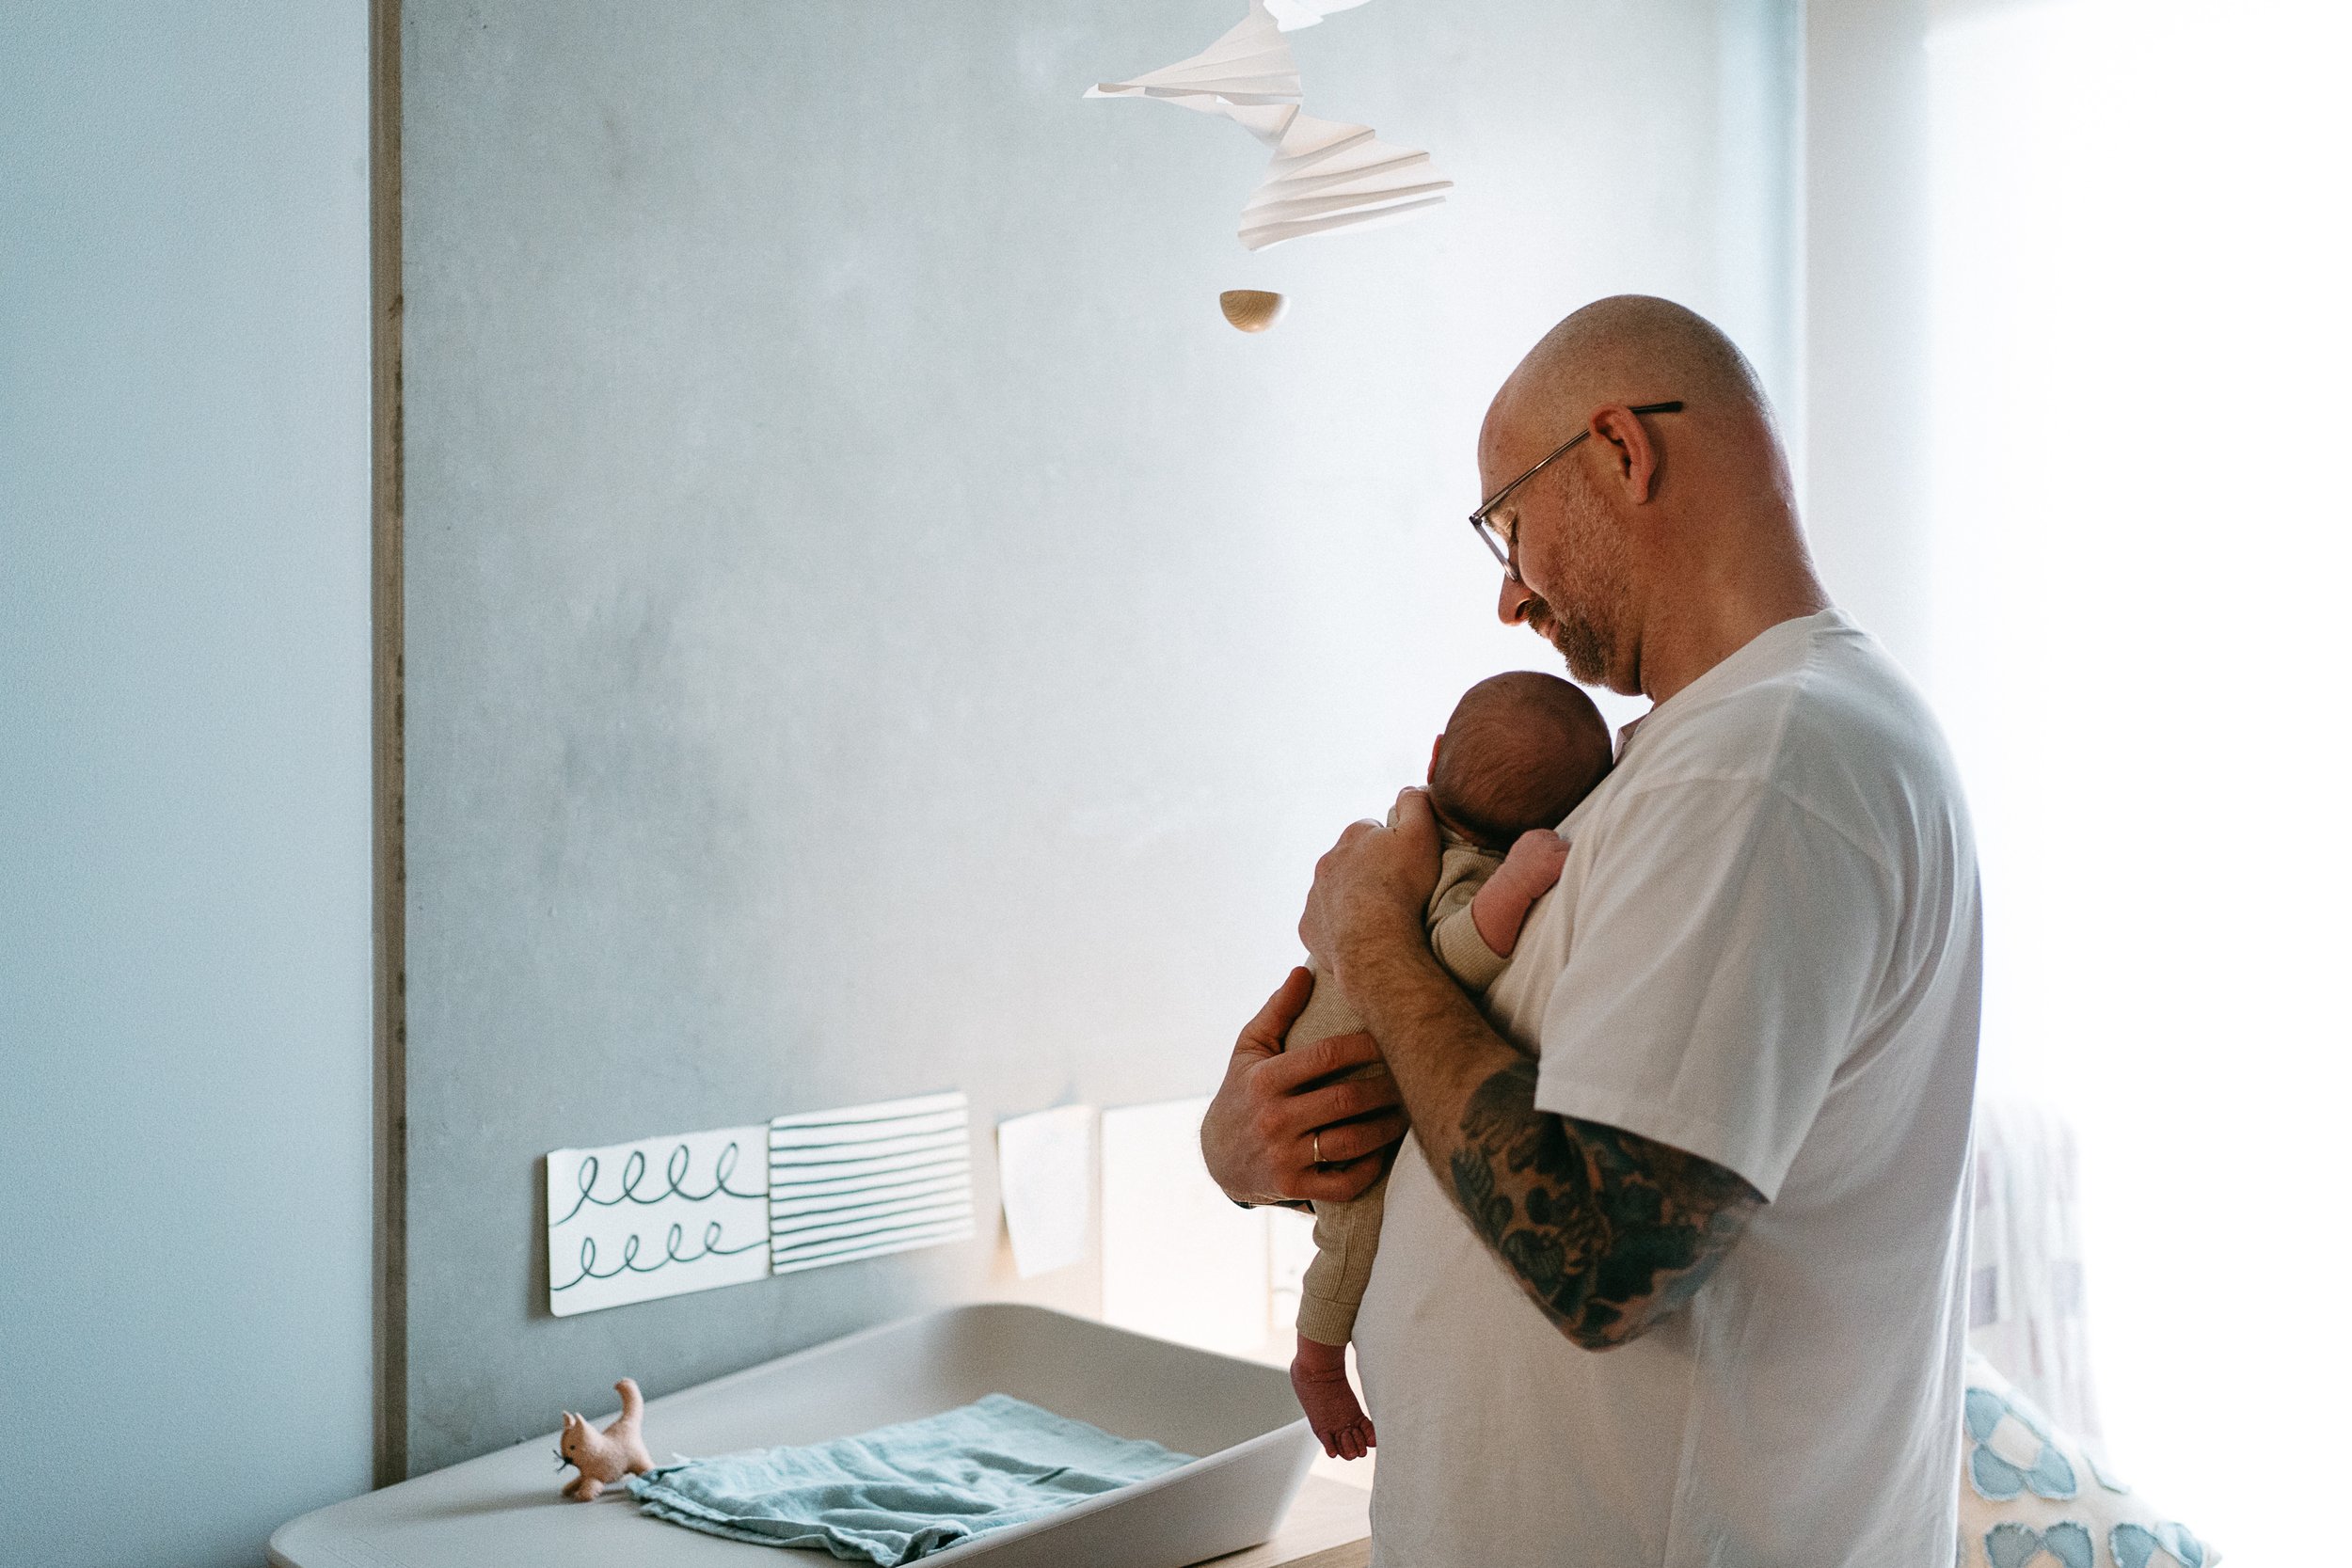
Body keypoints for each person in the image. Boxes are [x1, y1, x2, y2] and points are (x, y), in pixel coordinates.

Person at [1200, 295, 1980, 1565]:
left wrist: (1372, 941)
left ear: (1623, 450)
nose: (1511, 596)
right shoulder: (1664, 768)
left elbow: (1599, 1252)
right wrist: (1258, 1144)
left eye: (1508, 525)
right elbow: (1490, 1092)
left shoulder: (1768, 761)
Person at [1283, 671, 1613, 1461]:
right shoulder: (1462, 868)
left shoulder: (1398, 838)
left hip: (1317, 1048)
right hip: (1335, 1083)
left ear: (1435, 754)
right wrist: (1521, 879)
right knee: (1351, 1230)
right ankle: (1317, 1357)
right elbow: (1447, 957)